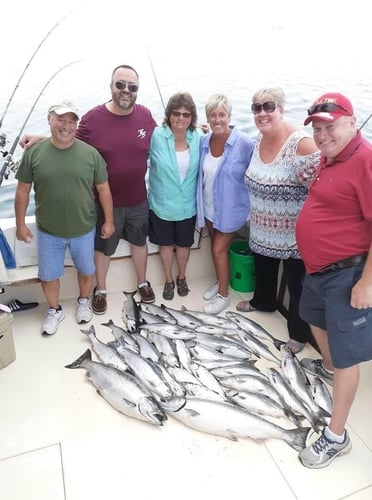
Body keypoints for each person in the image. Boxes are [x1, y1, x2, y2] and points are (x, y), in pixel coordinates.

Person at [21, 64, 157, 313]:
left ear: (137, 90)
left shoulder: (145, 115)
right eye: (120, 85)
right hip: (106, 202)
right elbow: (65, 137)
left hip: (138, 199)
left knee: (140, 243)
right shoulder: (94, 118)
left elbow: (165, 137)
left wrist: (198, 132)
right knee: (102, 248)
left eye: (132, 86)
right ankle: (101, 289)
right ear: (111, 87)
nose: (126, 90)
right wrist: (39, 139)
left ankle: (143, 282)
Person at [296, 92, 372, 468]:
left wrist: (366, 283)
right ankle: (326, 366)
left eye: (331, 127)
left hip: (348, 274)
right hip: (317, 271)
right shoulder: (330, 157)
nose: (323, 135)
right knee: (309, 315)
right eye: (318, 128)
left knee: (347, 359)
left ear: (352, 122)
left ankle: (336, 436)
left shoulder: (365, 161)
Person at [14, 100, 114, 335]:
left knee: (87, 270)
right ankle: (54, 310)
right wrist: (20, 224)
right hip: (48, 231)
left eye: (72, 121)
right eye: (61, 119)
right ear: (49, 119)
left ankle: (83, 301)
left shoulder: (90, 154)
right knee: (48, 276)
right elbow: (22, 191)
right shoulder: (33, 154)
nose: (66, 126)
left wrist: (109, 221)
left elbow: (104, 190)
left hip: (84, 229)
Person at [236, 87, 320, 353]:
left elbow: (322, 191)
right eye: (256, 108)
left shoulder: (301, 144)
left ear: (282, 110)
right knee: (264, 271)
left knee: (297, 287)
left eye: (268, 106)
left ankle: (298, 333)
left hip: (294, 238)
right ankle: (263, 302)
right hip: (262, 232)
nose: (262, 113)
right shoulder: (258, 140)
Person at [196, 94, 254, 314]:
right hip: (209, 207)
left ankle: (223, 296)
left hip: (231, 210)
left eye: (222, 115)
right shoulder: (204, 141)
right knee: (214, 247)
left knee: (219, 250)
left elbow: (258, 170)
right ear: (207, 118)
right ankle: (221, 281)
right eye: (213, 115)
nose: (217, 119)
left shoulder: (245, 143)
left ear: (229, 116)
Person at [148, 92, 200, 300]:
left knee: (184, 245)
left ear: (192, 118)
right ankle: (169, 280)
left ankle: (181, 277)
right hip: (162, 204)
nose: (181, 118)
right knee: (166, 245)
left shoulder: (198, 137)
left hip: (187, 205)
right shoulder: (156, 136)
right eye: (176, 113)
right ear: (169, 115)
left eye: (186, 115)